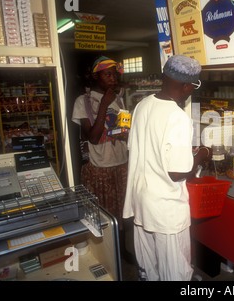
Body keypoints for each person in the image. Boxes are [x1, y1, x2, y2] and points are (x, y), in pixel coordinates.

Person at [123, 55, 211, 281]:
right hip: (166, 211)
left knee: (150, 269)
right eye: (194, 85)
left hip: (142, 201)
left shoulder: (142, 105)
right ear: (187, 86)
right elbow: (177, 172)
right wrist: (202, 154)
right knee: (174, 272)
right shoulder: (178, 116)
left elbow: (143, 149)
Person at [72, 56, 128, 227]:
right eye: (108, 75)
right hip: (99, 168)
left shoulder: (118, 99)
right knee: (104, 216)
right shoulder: (84, 101)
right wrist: (104, 104)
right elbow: (93, 138)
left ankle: (122, 249)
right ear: (96, 76)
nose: (113, 79)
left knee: (123, 214)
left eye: (114, 75)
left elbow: (125, 131)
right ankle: (109, 251)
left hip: (122, 164)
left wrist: (125, 132)